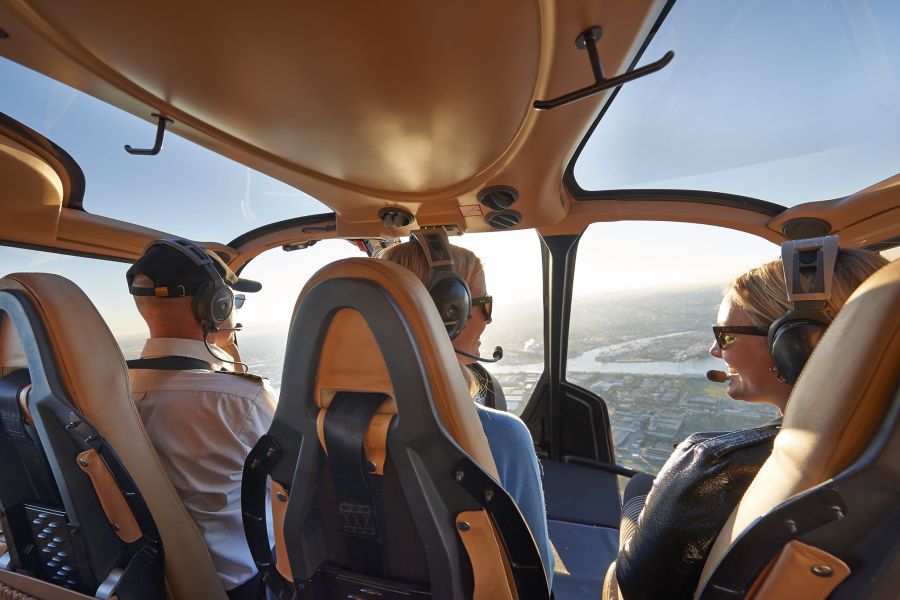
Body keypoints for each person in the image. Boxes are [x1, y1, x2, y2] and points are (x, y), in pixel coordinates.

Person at [614, 247, 888, 600]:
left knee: (637, 483)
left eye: (725, 336)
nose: (716, 351)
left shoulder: (712, 465)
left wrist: (639, 503)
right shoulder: (879, 452)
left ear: (800, 344)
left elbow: (634, 583)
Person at [377, 238, 555, 586]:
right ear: (447, 314)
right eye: (483, 305)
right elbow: (537, 579)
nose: (489, 321)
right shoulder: (500, 436)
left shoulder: (321, 424)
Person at [125, 238, 277, 600]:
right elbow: (298, 484)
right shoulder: (245, 399)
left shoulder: (109, 389)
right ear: (215, 304)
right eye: (233, 299)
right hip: (243, 581)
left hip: (154, 579)